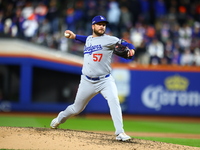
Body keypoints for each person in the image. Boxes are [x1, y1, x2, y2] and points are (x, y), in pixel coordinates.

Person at [50, 15, 135, 141]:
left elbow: (125, 43)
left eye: (104, 24)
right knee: (76, 108)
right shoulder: (89, 39)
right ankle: (59, 119)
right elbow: (86, 39)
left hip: (105, 80)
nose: (102, 26)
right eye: (99, 24)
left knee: (114, 101)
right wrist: (74, 36)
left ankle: (120, 133)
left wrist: (131, 49)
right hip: (87, 81)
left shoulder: (110, 39)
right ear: (93, 26)